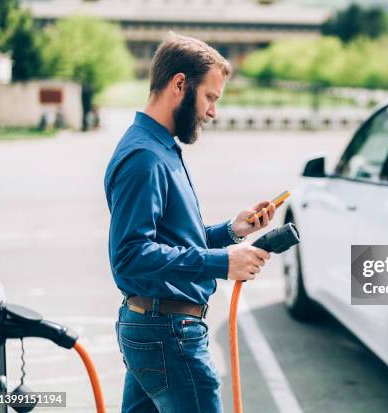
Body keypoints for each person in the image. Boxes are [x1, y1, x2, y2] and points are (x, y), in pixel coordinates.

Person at [103, 32, 276, 413]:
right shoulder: (144, 158)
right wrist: (223, 262)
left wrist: (232, 232)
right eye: (210, 97)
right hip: (168, 334)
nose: (212, 110)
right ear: (179, 84)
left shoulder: (160, 148)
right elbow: (131, 255)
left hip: (157, 328)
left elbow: (171, 240)